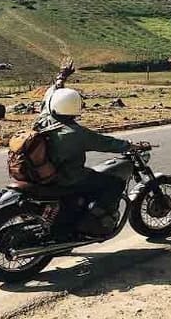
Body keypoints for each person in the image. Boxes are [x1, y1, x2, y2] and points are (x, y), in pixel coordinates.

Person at [36, 61, 139, 237]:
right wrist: (130, 145)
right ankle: (96, 221)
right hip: (67, 178)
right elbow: (106, 143)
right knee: (115, 183)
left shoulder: (44, 117)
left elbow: (50, 95)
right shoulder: (76, 133)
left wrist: (62, 77)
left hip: (41, 173)